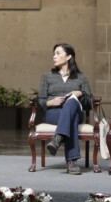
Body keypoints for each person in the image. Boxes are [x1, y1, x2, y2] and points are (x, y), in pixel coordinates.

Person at [37, 43, 93, 175]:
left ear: (68, 57)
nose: (54, 56)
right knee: (70, 119)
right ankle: (72, 162)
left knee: (72, 102)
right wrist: (51, 102)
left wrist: (79, 94)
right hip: (53, 113)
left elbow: (89, 103)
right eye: (54, 54)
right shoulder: (47, 76)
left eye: (58, 53)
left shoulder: (81, 77)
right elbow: (40, 101)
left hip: (75, 111)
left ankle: (58, 138)